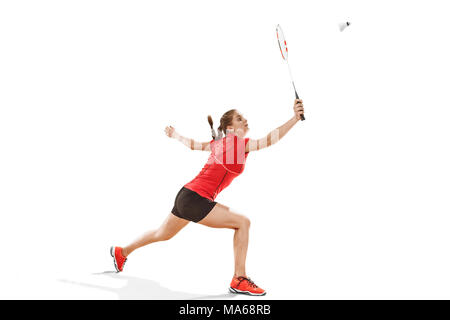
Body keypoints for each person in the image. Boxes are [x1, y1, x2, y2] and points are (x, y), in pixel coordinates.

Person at [111, 99, 305, 296]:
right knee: (243, 223)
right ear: (230, 128)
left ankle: (122, 252)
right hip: (195, 198)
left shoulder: (218, 143)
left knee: (162, 234)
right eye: (240, 118)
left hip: (186, 195)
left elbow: (193, 145)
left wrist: (175, 135)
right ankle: (239, 279)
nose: (245, 120)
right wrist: (294, 118)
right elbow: (269, 140)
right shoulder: (237, 143)